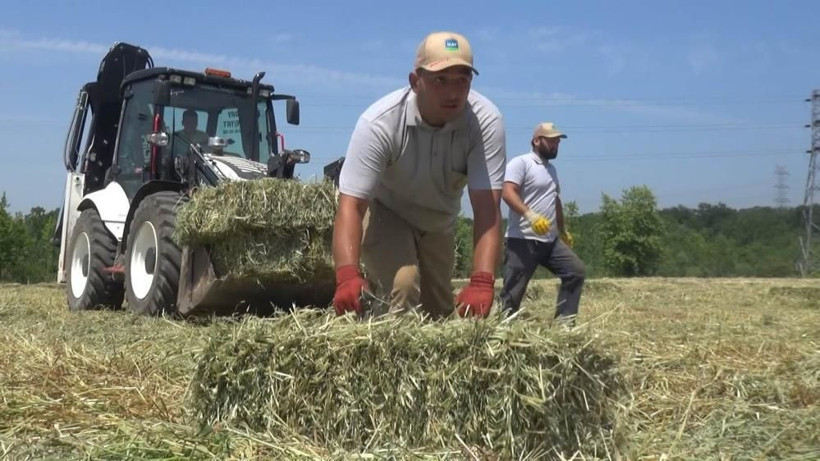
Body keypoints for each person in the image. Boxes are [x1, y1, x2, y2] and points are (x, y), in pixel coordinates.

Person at [331, 31, 507, 320]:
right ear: (416, 82)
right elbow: (351, 205)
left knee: (439, 311)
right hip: (388, 212)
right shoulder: (380, 123)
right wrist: (347, 275)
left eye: (462, 80)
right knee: (404, 284)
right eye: (440, 80)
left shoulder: (484, 122)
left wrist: (482, 280)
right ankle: (391, 360)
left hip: (439, 223)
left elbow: (487, 208)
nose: (453, 92)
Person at [498, 122, 586, 326]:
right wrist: (530, 215)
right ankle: (503, 330)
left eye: (557, 142)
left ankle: (564, 325)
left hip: (550, 241)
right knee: (513, 292)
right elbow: (507, 192)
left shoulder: (551, 170)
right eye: (551, 140)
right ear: (537, 141)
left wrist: (563, 230)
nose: (556, 145)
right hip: (522, 240)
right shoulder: (521, 163)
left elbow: (555, 201)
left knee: (575, 271)